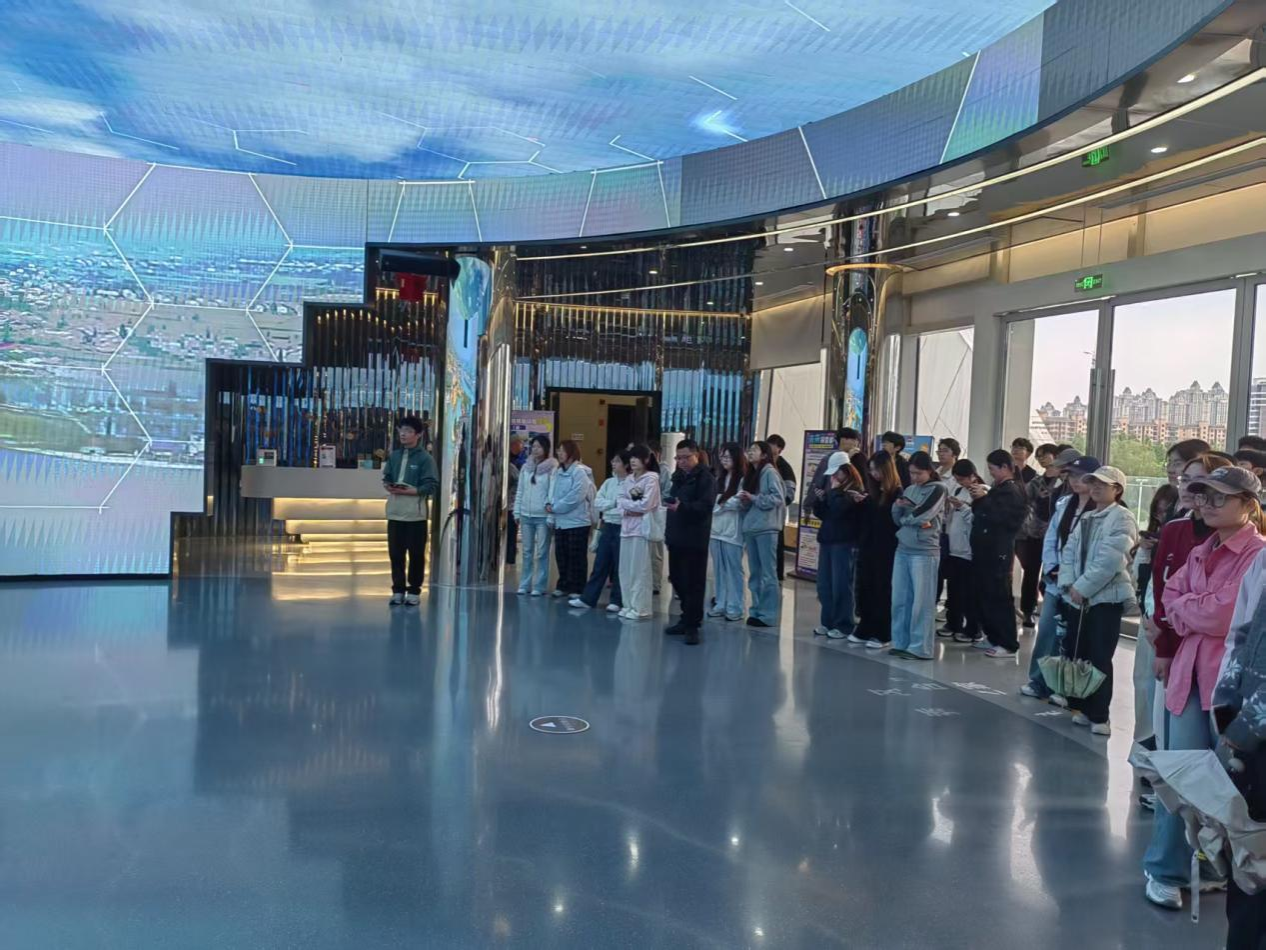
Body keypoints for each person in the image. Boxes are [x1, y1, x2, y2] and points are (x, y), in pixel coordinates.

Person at [1142, 467, 1265, 912]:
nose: (1207, 506)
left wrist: (1188, 610)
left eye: (1219, 498)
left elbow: (1224, 616)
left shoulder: (1257, 555)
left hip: (1230, 688)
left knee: (1225, 785)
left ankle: (1219, 868)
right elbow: (1170, 597)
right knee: (1180, 776)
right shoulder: (1201, 548)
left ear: (1248, 504)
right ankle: (1164, 870)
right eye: (1203, 496)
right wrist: (1192, 610)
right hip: (1188, 675)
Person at [1057, 466, 1138, 735]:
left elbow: (1112, 559)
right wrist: (1069, 584)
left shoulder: (1122, 517)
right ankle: (1083, 707)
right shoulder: (1088, 516)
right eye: (1093, 483)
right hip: (1078, 598)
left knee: (1100, 657)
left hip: (1106, 599)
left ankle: (1100, 715)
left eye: (1103, 484)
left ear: (1118, 489)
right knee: (1080, 653)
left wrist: (1083, 587)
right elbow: (1069, 551)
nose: (1096, 488)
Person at [1212, 543, 1266, 947]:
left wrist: (1247, 724)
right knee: (1249, 862)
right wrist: (1228, 698)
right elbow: (1248, 630)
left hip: (1254, 728)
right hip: (1253, 742)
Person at [1021, 456, 1101, 695]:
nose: (1075, 481)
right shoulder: (1065, 503)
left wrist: (1078, 579)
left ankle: (1064, 688)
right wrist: (1051, 567)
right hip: (1056, 580)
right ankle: (1039, 681)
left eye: (1081, 476)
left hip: (1081, 585)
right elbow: (1051, 538)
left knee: (1072, 638)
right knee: (1047, 632)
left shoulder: (1102, 509)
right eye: (1072, 476)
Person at [969, 449, 1030, 658]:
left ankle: (1007, 642)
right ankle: (993, 636)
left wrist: (984, 499)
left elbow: (1001, 518)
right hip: (985, 550)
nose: (990, 473)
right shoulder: (999, 488)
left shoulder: (1012, 491)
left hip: (998, 551)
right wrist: (979, 500)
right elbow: (984, 512)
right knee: (985, 594)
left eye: (992, 468)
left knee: (999, 597)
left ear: (1005, 467)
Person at [889, 451, 947, 660]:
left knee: (921, 602)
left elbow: (924, 513)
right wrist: (897, 508)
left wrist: (907, 518)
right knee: (900, 600)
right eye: (911, 473)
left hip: (925, 551)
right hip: (903, 548)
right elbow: (898, 517)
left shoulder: (939, 488)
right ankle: (900, 642)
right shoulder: (910, 489)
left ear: (929, 471)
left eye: (918, 473)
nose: (914, 477)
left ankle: (920, 647)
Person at [381, 415, 440, 606]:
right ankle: (397, 590)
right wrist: (389, 486)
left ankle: (414, 590)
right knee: (395, 554)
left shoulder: (425, 459)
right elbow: (386, 477)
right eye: (401, 430)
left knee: (416, 554)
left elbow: (431, 485)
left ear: (419, 434)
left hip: (415, 516)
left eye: (408, 431)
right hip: (395, 512)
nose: (403, 434)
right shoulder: (395, 456)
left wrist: (411, 491)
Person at [664, 439, 716, 645]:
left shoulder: (706, 478)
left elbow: (706, 506)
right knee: (677, 578)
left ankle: (693, 624)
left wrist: (683, 507)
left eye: (686, 457)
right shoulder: (678, 477)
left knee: (694, 582)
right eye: (678, 458)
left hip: (695, 537)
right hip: (676, 535)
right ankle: (685, 617)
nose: (682, 462)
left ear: (697, 455)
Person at [811, 452, 865, 640]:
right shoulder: (835, 488)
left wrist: (832, 493)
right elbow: (824, 514)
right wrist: (820, 500)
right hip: (828, 539)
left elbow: (839, 510)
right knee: (824, 584)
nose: (833, 477)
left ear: (846, 471)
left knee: (841, 584)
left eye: (837, 473)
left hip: (844, 542)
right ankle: (827, 621)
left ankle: (843, 624)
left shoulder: (854, 490)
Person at [854, 450, 902, 648]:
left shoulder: (896, 493)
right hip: (868, 546)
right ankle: (865, 626)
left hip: (886, 548)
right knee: (866, 586)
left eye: (876, 469)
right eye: (871, 470)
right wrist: (861, 502)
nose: (873, 474)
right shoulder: (873, 491)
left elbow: (893, 522)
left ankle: (883, 633)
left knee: (882, 588)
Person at [738, 441, 786, 628]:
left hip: (766, 527)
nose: (750, 452)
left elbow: (778, 498)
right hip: (752, 527)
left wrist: (754, 498)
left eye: (754, 450)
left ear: (765, 454)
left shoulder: (769, 472)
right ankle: (756, 610)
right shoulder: (750, 474)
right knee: (756, 573)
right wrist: (745, 500)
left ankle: (768, 614)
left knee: (768, 573)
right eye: (748, 449)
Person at [571, 452, 627, 613]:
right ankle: (588, 598)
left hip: (622, 525)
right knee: (600, 563)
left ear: (626, 464)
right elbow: (598, 502)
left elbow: (625, 506)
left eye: (617, 461)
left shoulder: (630, 483)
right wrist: (613, 503)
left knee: (619, 565)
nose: (613, 464)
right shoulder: (609, 482)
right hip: (607, 525)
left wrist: (612, 505)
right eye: (613, 461)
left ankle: (617, 600)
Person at [1016, 443, 1062, 629]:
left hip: (1057, 534)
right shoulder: (1036, 482)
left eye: (1045, 455)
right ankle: (1028, 611)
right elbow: (1023, 501)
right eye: (1039, 456)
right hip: (1035, 532)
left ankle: (1051, 610)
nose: (1042, 459)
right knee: (1031, 572)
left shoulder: (1064, 481)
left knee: (1049, 574)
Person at [941, 458, 983, 642]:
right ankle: (953, 623)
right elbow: (950, 519)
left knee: (970, 592)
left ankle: (973, 628)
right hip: (954, 547)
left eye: (962, 479)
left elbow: (979, 520)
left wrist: (963, 507)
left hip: (969, 550)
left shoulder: (981, 491)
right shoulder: (957, 490)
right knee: (954, 590)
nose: (960, 482)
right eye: (957, 479)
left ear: (972, 475)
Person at [616, 445, 661, 621]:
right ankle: (628, 604)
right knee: (625, 570)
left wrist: (628, 506)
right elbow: (619, 501)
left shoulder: (651, 479)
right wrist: (629, 508)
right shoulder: (628, 479)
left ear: (646, 460)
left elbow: (646, 505)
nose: (633, 461)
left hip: (641, 530)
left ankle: (640, 607)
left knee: (639, 570)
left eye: (637, 457)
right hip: (626, 529)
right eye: (631, 458)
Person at [546, 440, 594, 599]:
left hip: (577, 521)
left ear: (572, 453)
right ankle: (563, 585)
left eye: (563, 451)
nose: (559, 453)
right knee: (561, 555)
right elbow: (552, 492)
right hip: (560, 521)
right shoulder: (557, 472)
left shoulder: (580, 472)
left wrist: (555, 507)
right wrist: (550, 506)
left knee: (576, 556)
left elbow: (575, 497)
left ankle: (577, 588)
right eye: (558, 450)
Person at [709, 443, 748, 622]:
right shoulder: (719, 478)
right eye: (722, 457)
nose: (724, 460)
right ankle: (721, 602)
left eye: (728, 457)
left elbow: (738, 502)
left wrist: (721, 503)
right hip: (716, 530)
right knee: (718, 569)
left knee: (733, 569)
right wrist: (723, 502)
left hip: (733, 531)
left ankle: (735, 606)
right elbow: (715, 501)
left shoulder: (743, 479)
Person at [513, 435, 556, 596]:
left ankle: (540, 585)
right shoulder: (526, 467)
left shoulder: (552, 468)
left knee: (542, 552)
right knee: (526, 551)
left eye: (539, 446)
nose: (535, 449)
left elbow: (552, 493)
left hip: (542, 516)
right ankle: (524, 584)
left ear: (546, 448)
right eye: (533, 446)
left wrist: (550, 514)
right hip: (526, 514)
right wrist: (517, 511)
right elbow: (520, 490)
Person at [935, 438, 962, 608]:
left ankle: (951, 608)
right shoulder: (935, 473)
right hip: (935, 528)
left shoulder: (957, 477)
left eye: (945, 450)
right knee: (936, 570)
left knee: (951, 571)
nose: (941, 453)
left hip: (951, 527)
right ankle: (934, 602)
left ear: (955, 454)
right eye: (939, 450)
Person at [767, 434, 797, 580]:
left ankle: (777, 574)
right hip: (763, 511)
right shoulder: (764, 464)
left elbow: (790, 492)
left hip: (777, 511)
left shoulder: (784, 467)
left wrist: (780, 502)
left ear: (779, 449)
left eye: (773, 446)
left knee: (777, 542)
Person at [506, 437, 523, 565]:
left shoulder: (514, 462)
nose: (522, 447)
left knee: (511, 533)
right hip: (510, 503)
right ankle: (509, 556)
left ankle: (510, 555)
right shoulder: (511, 464)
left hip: (512, 504)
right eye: (519, 444)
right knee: (510, 533)